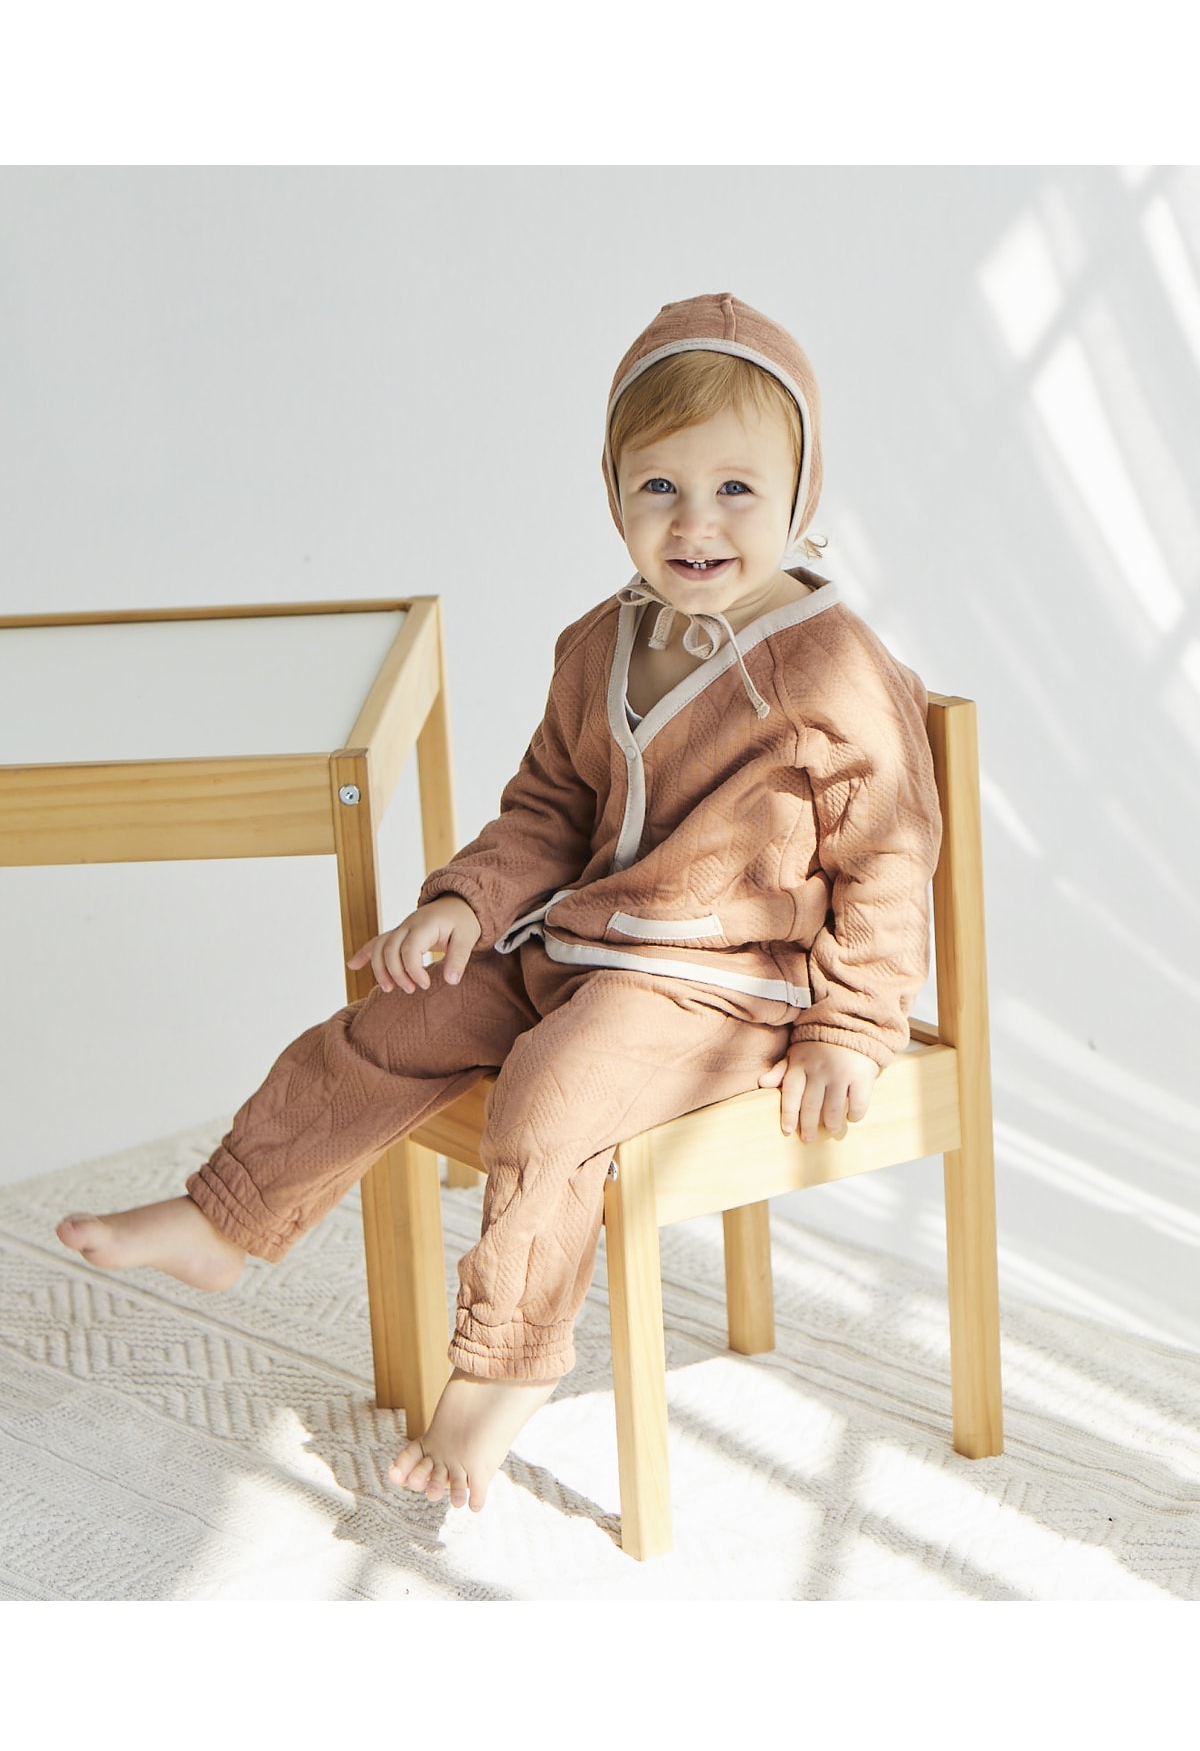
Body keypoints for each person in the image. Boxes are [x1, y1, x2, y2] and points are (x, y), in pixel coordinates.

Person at [56, 293, 942, 1515]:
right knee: (395, 1020)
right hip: (574, 947)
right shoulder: (598, 644)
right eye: (659, 487)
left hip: (727, 987)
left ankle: (503, 1366)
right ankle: (230, 1217)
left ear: (803, 490)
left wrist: (852, 1025)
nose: (695, 522)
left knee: (551, 1093)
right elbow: (546, 812)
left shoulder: (836, 667)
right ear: (614, 495)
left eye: (737, 489)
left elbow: (890, 856)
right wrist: (467, 908)